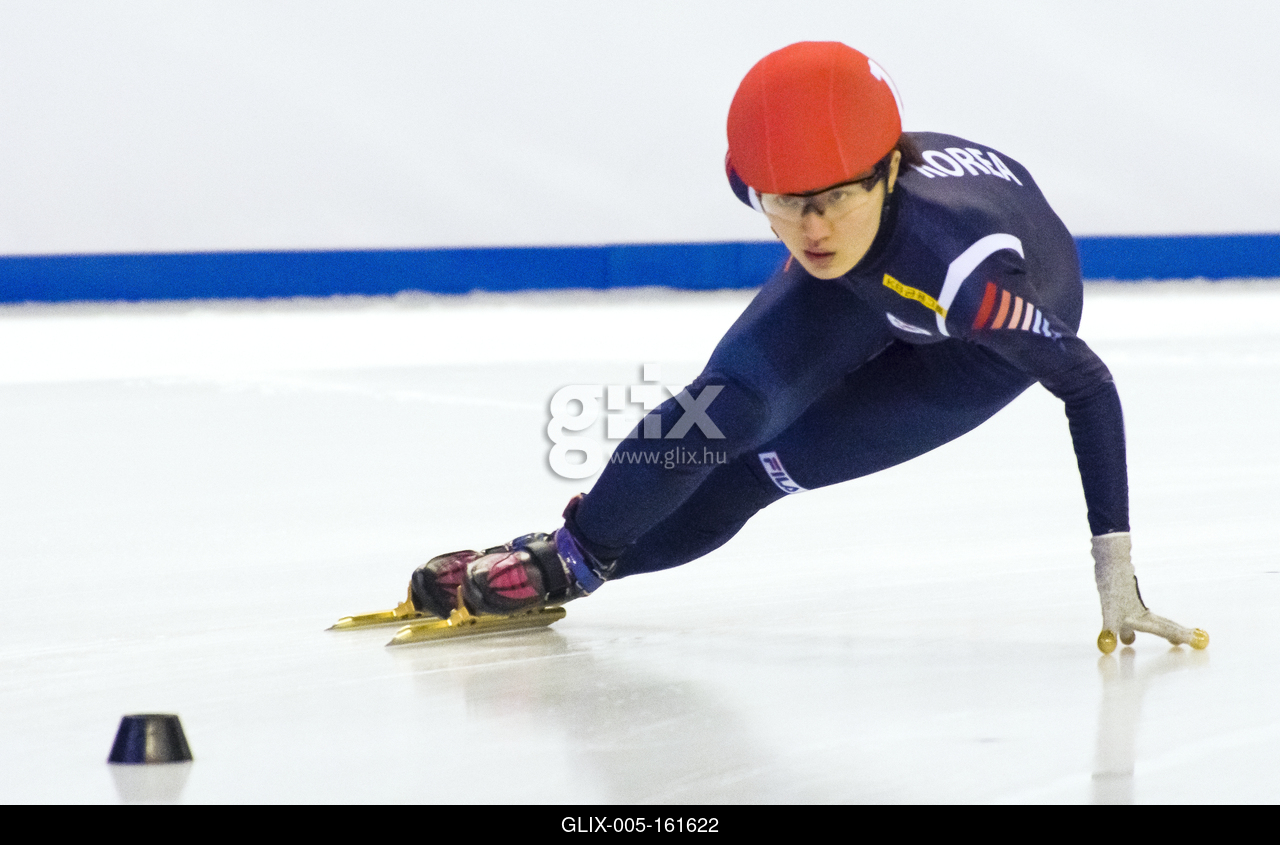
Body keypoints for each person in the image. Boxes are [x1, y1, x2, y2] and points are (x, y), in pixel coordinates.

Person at [408, 41, 1205, 653]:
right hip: (866, 277)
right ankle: (565, 555)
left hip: (971, 349)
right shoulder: (773, 183)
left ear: (885, 173)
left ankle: (577, 568)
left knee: (757, 472)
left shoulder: (968, 277)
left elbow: (1088, 384)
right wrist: (583, 539)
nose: (812, 228)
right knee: (721, 410)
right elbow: (807, 205)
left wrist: (1115, 570)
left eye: (833, 200)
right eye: (787, 204)